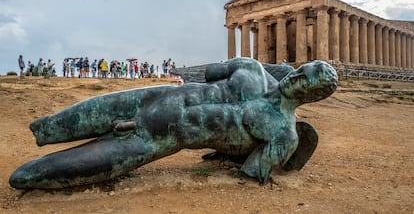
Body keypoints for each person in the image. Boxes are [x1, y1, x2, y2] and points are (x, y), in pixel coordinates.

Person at [10, 58, 337, 189]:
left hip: (162, 139)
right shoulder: (251, 69)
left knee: (27, 176)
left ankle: (32, 177)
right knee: (50, 125)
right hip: (155, 97)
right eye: (302, 69)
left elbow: (251, 174)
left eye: (307, 80)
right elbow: (209, 74)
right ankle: (44, 133)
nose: (297, 77)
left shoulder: (283, 134)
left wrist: (234, 153)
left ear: (314, 95)